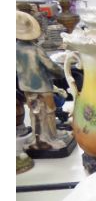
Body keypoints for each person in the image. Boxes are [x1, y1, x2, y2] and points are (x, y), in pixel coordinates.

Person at [16, 10, 73, 152]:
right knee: (49, 111)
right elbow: (51, 66)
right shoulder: (36, 50)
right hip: (42, 86)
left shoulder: (15, 49)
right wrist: (61, 71)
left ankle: (42, 136)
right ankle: (48, 138)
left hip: (26, 86)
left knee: (35, 112)